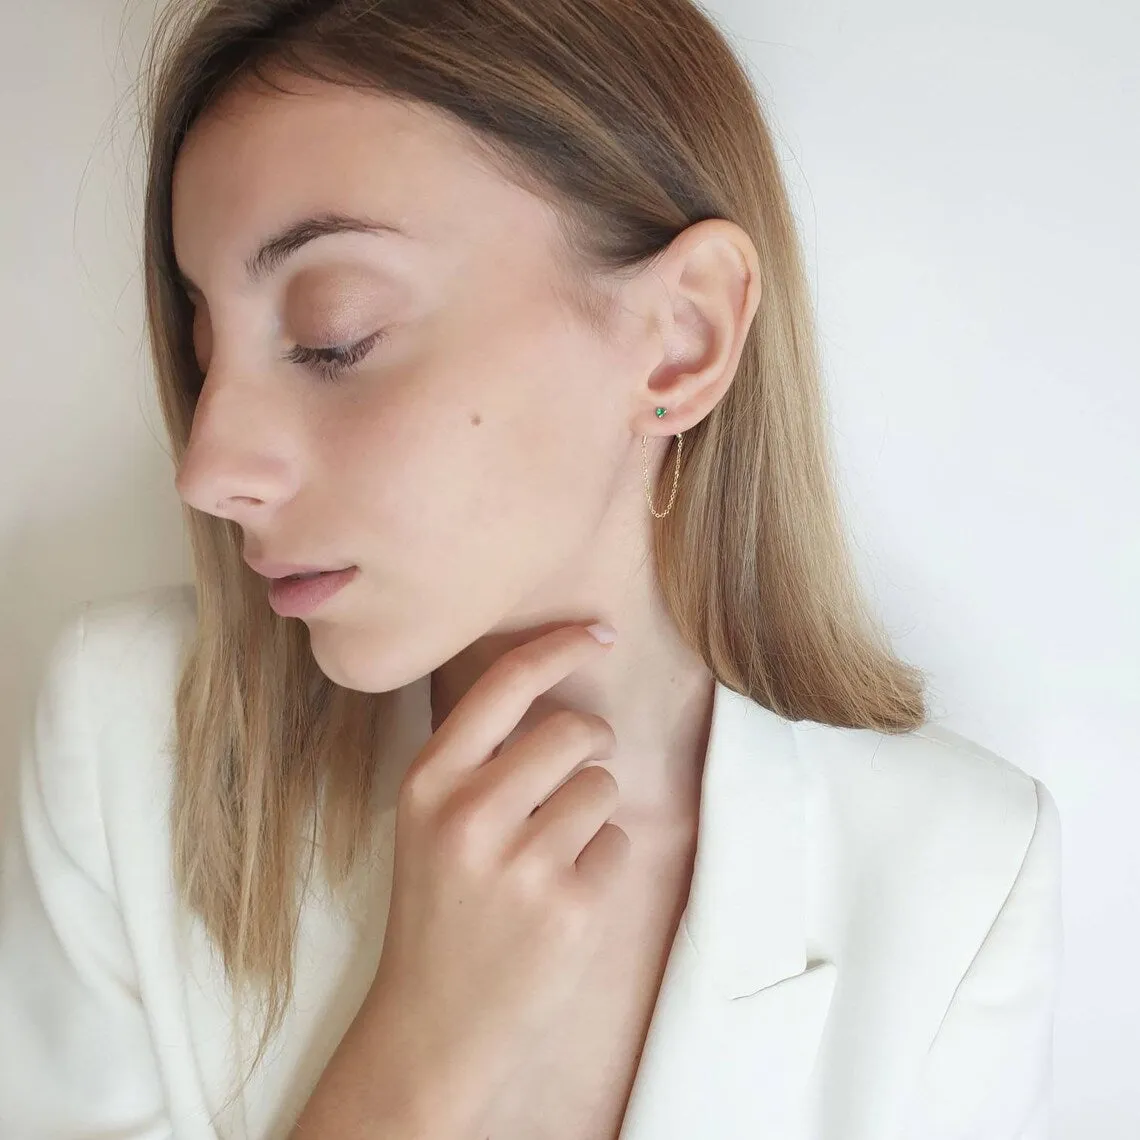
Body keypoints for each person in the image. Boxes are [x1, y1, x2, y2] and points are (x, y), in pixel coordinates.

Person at [0, 1, 1063, 1137]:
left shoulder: (960, 879)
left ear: (683, 336)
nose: (209, 468)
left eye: (333, 335)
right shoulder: (125, 746)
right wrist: (418, 1051)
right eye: (206, 353)